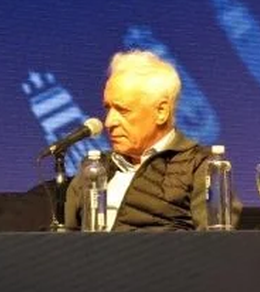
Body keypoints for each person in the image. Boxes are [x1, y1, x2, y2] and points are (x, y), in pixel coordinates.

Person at [64, 50, 227, 230]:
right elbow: (65, 238)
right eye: (108, 108)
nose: (109, 122)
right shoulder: (95, 167)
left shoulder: (202, 166)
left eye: (123, 110)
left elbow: (215, 240)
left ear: (161, 112)